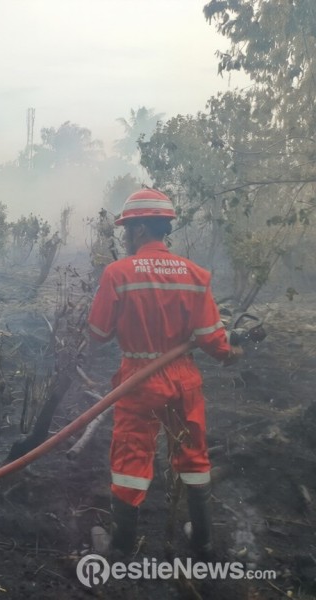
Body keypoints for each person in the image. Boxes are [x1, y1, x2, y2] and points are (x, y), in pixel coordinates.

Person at [87, 188, 242, 559]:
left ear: (140, 229)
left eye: (127, 230)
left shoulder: (118, 273)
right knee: (193, 453)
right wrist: (230, 353)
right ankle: (202, 539)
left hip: (138, 378)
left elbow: (98, 334)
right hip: (183, 377)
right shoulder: (195, 274)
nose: (125, 237)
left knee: (131, 455)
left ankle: (121, 547)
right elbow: (211, 338)